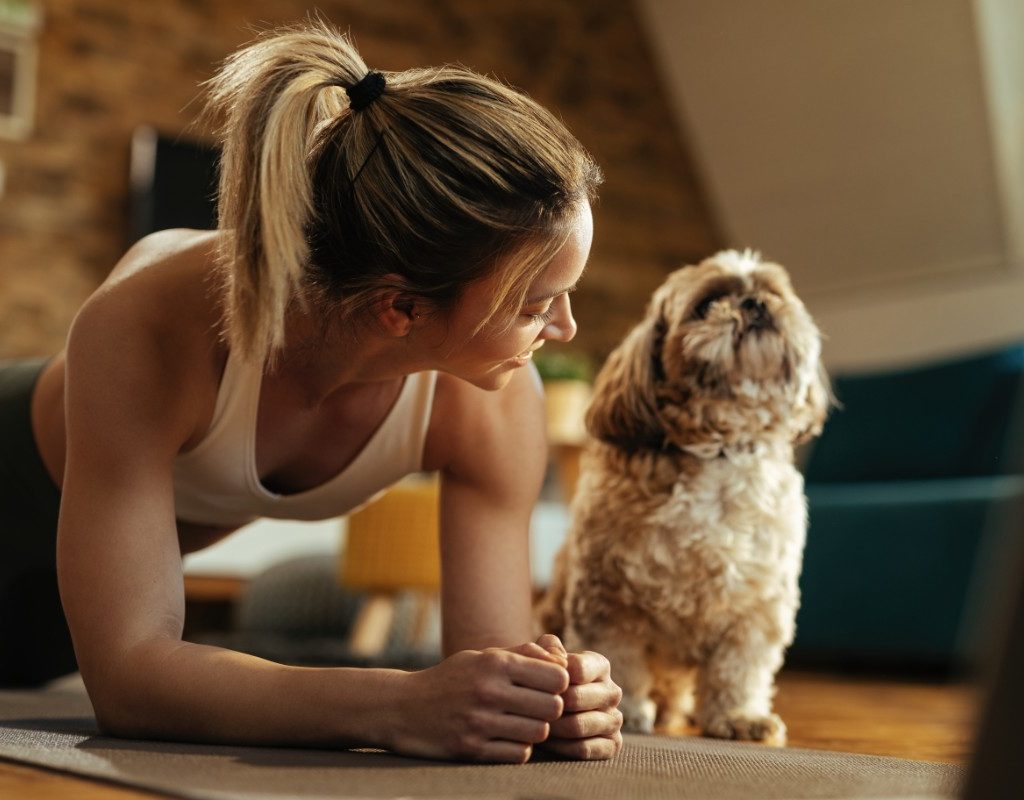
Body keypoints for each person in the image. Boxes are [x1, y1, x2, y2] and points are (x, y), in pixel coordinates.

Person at [0, 21, 624, 762]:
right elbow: (130, 681)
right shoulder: (148, 323)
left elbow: (487, 669)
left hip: (44, 614)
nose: (564, 327)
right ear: (400, 309)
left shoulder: (490, 396)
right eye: (534, 304)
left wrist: (544, 699)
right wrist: (396, 703)